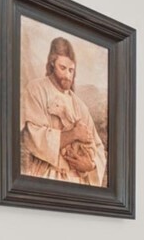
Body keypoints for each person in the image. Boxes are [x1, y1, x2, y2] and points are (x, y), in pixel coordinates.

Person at [20, 37, 105, 185]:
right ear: (52, 63)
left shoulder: (79, 105)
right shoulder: (36, 89)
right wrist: (73, 134)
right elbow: (32, 136)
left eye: (71, 70)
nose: (68, 75)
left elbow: (97, 146)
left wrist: (90, 165)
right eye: (63, 68)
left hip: (78, 183)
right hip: (47, 178)